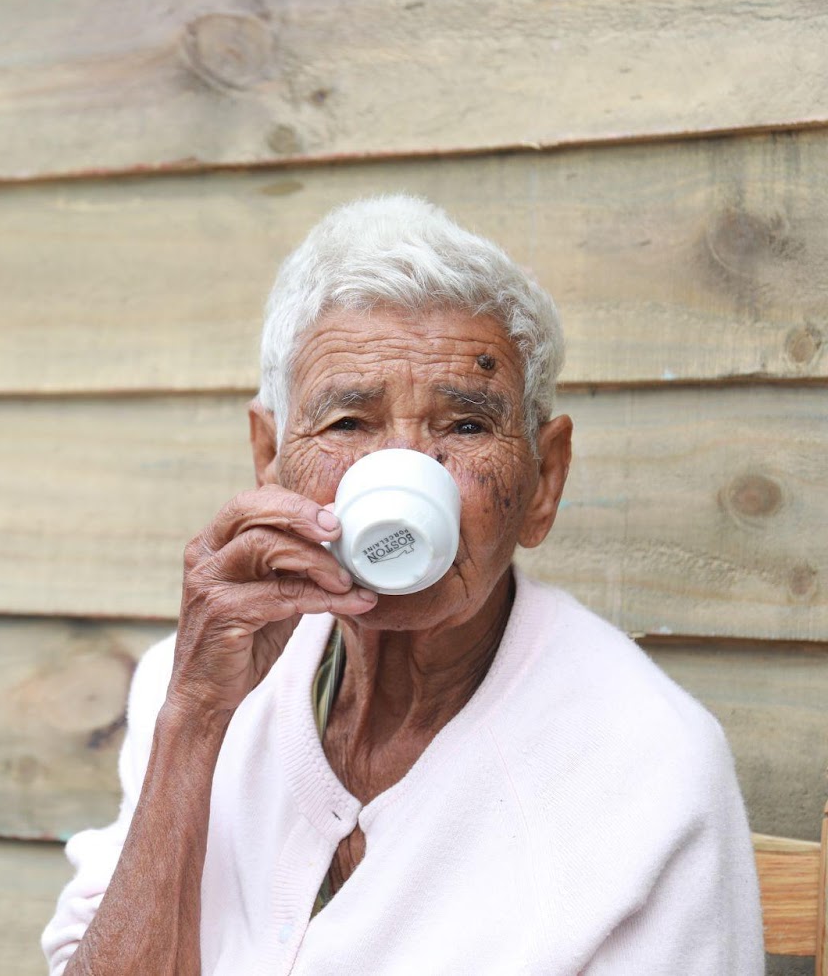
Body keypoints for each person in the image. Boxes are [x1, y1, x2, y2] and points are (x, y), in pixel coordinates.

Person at [41, 195, 764, 975]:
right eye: (349, 423)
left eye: (465, 426)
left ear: (543, 482)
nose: (409, 476)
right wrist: (191, 726)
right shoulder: (185, 688)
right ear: (269, 457)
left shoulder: (647, 767)